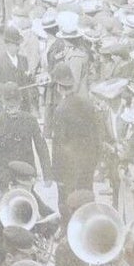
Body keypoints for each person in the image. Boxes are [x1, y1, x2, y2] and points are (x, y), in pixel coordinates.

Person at [49, 63, 105, 210]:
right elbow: (96, 134)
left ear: (59, 86)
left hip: (68, 165)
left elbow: (59, 144)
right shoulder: (87, 104)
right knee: (86, 198)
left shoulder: (60, 110)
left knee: (67, 202)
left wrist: (56, 172)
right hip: (88, 162)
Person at [0, 91, 52, 187]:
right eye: (8, 104)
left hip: (26, 170)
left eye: (14, 104)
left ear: (20, 102)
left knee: (28, 199)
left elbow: (41, 147)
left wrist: (47, 175)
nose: (11, 107)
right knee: (6, 198)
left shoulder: (31, 120)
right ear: (3, 102)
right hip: (5, 171)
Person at [0, 25, 35, 112]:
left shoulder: (23, 59)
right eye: (16, 45)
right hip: (6, 104)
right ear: (8, 45)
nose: (18, 48)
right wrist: (5, 88)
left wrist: (31, 77)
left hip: (23, 105)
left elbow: (27, 81)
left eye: (19, 45)